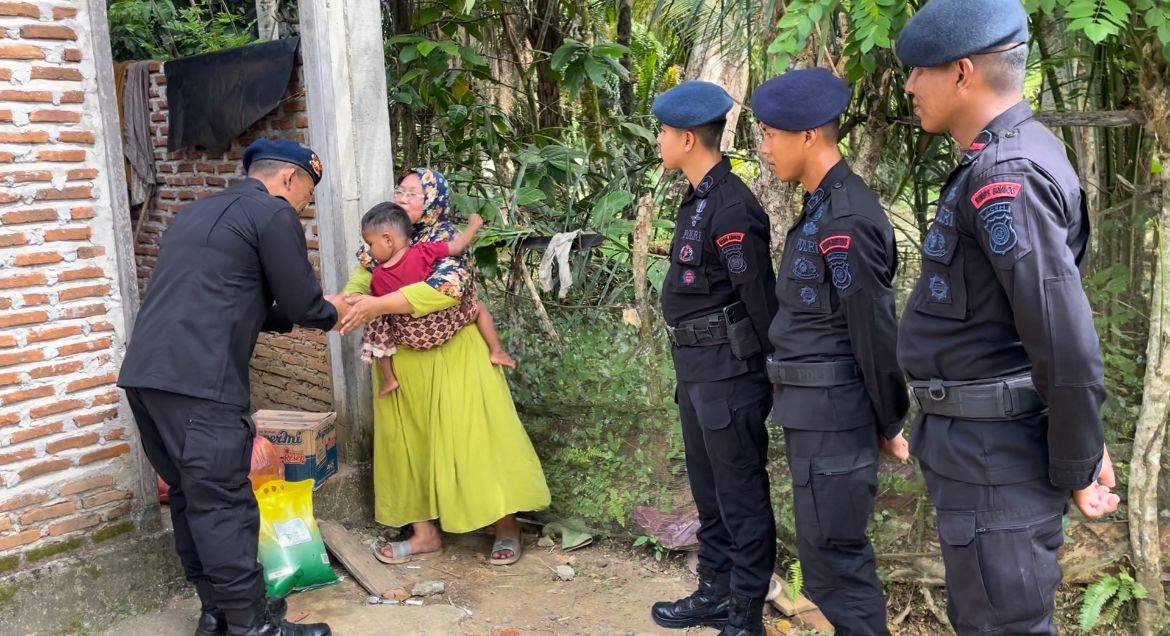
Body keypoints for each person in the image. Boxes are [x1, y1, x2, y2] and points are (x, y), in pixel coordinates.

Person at [894, 1, 1120, 633]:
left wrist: (1078, 461)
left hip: (998, 457)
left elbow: (1062, 340)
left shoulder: (1006, 174)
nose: (909, 86)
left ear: (963, 72)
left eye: (919, 71)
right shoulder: (1003, 156)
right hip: (980, 451)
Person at [117, 139, 341, 636]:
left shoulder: (196, 214)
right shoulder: (273, 214)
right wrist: (337, 310)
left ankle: (218, 612)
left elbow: (244, 299)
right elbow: (304, 303)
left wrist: (307, 311)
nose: (304, 205)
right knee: (223, 502)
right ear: (289, 179)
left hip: (147, 377)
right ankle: (253, 626)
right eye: (307, 192)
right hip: (202, 383)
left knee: (190, 496)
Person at [750, 67, 909, 636]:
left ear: (810, 134)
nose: (765, 148)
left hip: (834, 418)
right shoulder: (821, 207)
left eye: (770, 134)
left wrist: (890, 419)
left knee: (836, 563)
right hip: (814, 415)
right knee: (824, 561)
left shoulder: (845, 219)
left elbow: (873, 330)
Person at [336, 168, 550, 567]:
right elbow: (360, 283)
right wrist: (345, 303)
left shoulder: (445, 241)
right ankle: (424, 535)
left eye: (414, 193)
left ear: (433, 200)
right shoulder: (380, 241)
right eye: (400, 190)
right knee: (407, 445)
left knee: (477, 439)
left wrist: (378, 306)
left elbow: (446, 290)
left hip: (456, 353)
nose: (403, 198)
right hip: (401, 361)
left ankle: (505, 526)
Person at [646, 81, 778, 636]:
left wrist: (773, 376)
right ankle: (715, 590)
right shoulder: (699, 197)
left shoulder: (732, 207)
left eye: (662, 132)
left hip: (729, 372)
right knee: (710, 491)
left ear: (686, 138)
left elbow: (761, 304)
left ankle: (746, 612)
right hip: (697, 370)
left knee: (741, 491)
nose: (657, 140)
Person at [358, 204, 514, 396]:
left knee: (378, 321)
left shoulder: (379, 275)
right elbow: (457, 246)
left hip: (409, 337)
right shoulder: (423, 251)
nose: (370, 251)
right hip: (440, 328)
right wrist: (473, 226)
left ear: (388, 240)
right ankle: (496, 350)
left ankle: (389, 378)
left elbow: (382, 307)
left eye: (370, 244)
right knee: (479, 307)